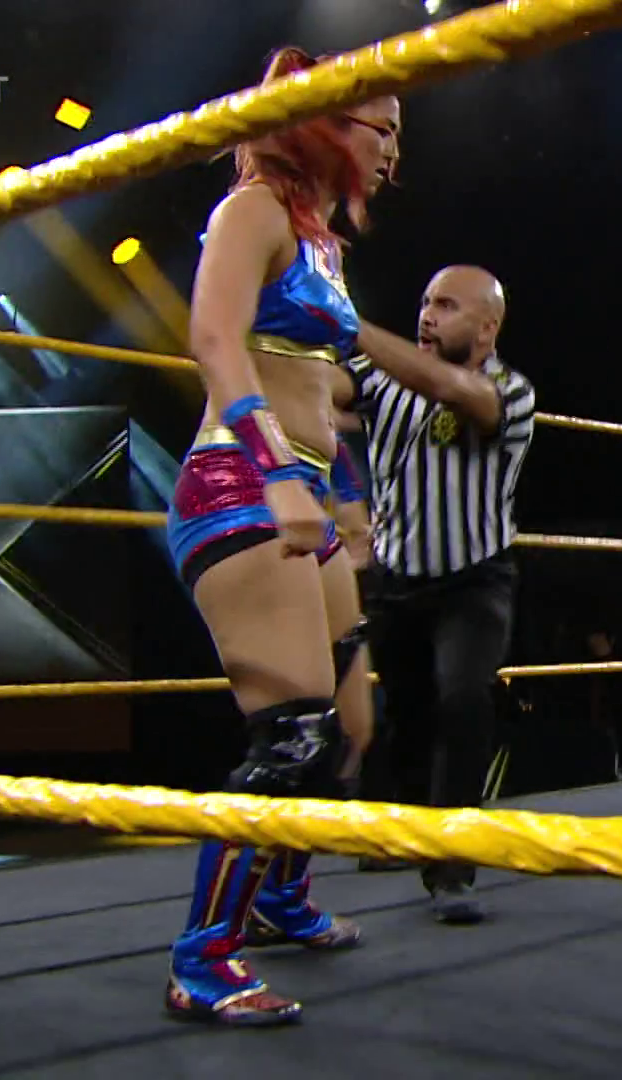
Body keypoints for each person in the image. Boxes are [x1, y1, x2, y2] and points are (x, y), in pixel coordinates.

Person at [162, 45, 392, 1027]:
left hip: (308, 489)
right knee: (292, 730)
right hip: (240, 482)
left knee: (350, 724)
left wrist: (346, 494)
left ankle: (281, 898)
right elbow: (214, 341)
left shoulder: (323, 245)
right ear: (324, 125)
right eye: (379, 128)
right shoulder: (251, 209)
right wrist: (276, 471)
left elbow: (321, 388)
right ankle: (202, 960)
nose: (391, 151)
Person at [352, 264, 536, 926]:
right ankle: (411, 833)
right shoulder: (381, 381)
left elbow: (458, 393)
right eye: (426, 301)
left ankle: (454, 866)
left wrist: (346, 321)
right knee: (407, 715)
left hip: (473, 581)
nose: (428, 314)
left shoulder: (512, 392)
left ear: (487, 328)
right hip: (395, 580)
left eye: (448, 306)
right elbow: (317, 392)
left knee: (462, 699)